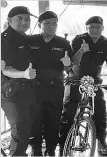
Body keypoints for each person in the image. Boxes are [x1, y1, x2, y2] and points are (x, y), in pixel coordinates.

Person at [59, 16, 107, 156]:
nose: (95, 30)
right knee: (68, 112)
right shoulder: (79, 39)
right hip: (75, 80)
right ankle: (64, 145)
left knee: (100, 111)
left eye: (98, 27)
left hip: (94, 82)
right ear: (87, 28)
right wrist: (81, 50)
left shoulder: (106, 43)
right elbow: (72, 62)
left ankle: (102, 142)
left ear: (102, 28)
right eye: (91, 27)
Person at [29, 11, 72, 156]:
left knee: (53, 121)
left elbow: (69, 68)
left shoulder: (63, 43)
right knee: (35, 121)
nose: (51, 26)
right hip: (35, 87)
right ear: (39, 24)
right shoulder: (31, 40)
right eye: (47, 23)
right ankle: (36, 150)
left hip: (56, 87)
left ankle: (51, 149)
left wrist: (68, 64)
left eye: (54, 23)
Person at [1, 6, 36, 156]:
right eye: (19, 18)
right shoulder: (5, 39)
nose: (24, 22)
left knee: (26, 129)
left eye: (27, 19)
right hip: (10, 90)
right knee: (21, 131)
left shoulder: (25, 38)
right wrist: (23, 74)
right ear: (9, 20)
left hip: (27, 90)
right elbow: (5, 69)